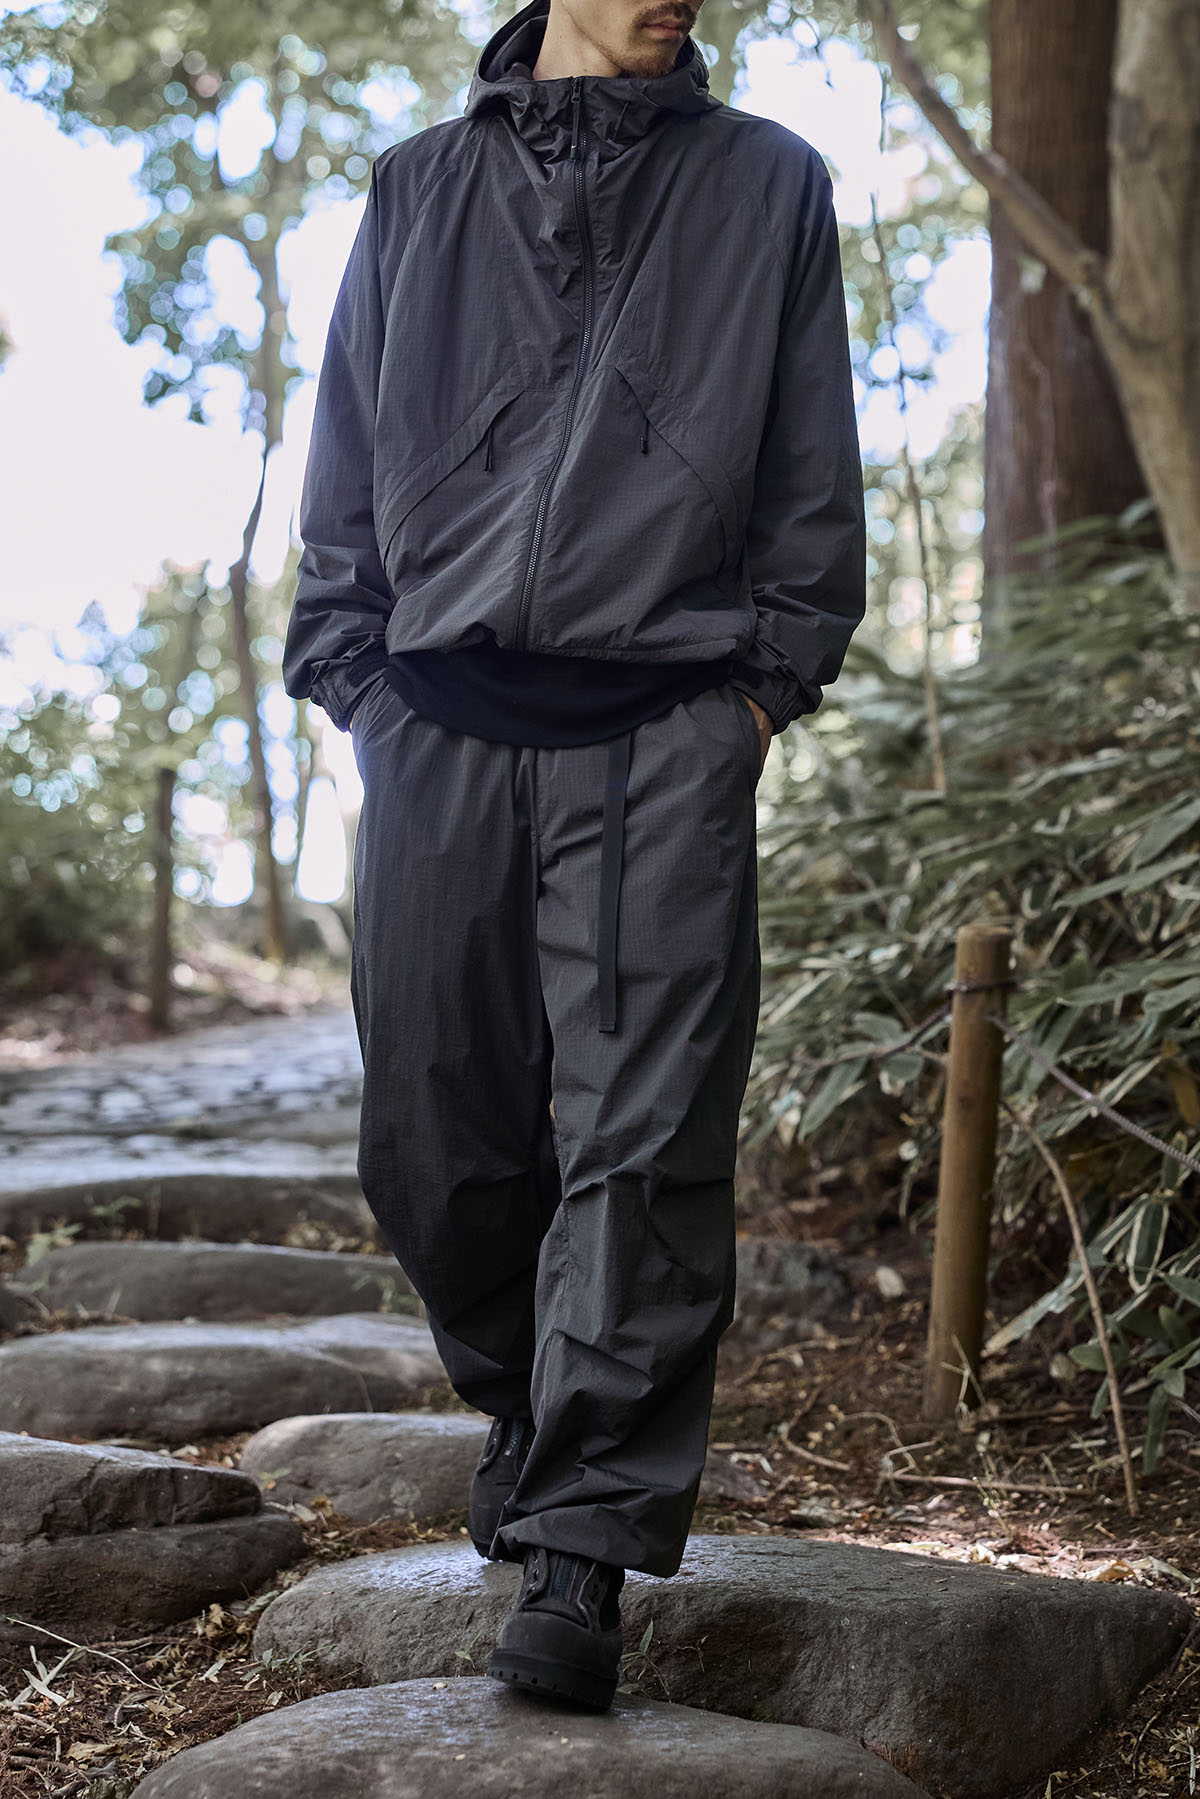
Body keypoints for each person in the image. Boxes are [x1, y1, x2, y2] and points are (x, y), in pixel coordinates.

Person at [282, 0, 865, 1714]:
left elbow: (811, 458)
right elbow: (346, 436)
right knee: (436, 1139)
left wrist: (761, 689)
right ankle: (530, 1406)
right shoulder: (418, 185)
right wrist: (354, 669)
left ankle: (583, 1544)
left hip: (665, 724)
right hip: (438, 720)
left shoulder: (771, 182)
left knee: (645, 1136)